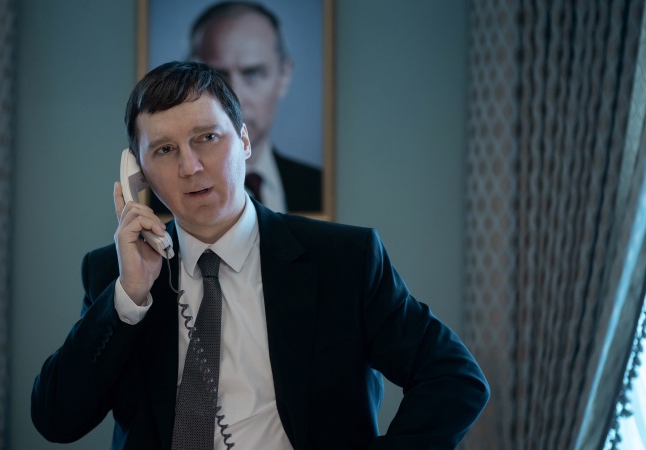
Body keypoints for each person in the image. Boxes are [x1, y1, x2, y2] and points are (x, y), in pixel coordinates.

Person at [31, 61, 489, 449]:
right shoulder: (114, 274)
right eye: (165, 150)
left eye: (207, 137)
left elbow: (455, 377)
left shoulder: (344, 260)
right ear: (140, 174)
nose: (190, 166)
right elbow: (56, 421)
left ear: (245, 142)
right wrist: (129, 298)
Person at [189, 1, 321, 213]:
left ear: (284, 76)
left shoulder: (317, 187)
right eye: (216, 76)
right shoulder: (156, 197)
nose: (235, 97)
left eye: (253, 73)